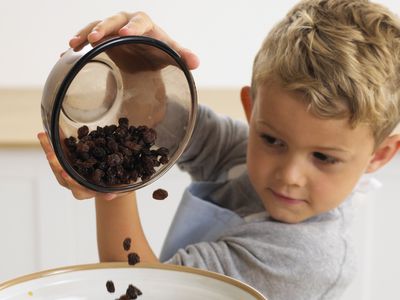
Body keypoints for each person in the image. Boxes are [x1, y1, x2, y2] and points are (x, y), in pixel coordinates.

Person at [38, 1, 400, 299]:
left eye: (323, 158)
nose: (289, 175)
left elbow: (147, 292)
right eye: (272, 140)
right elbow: (167, 124)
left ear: (379, 155)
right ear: (251, 110)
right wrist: (146, 63)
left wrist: (110, 185)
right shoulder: (244, 153)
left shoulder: (306, 257)